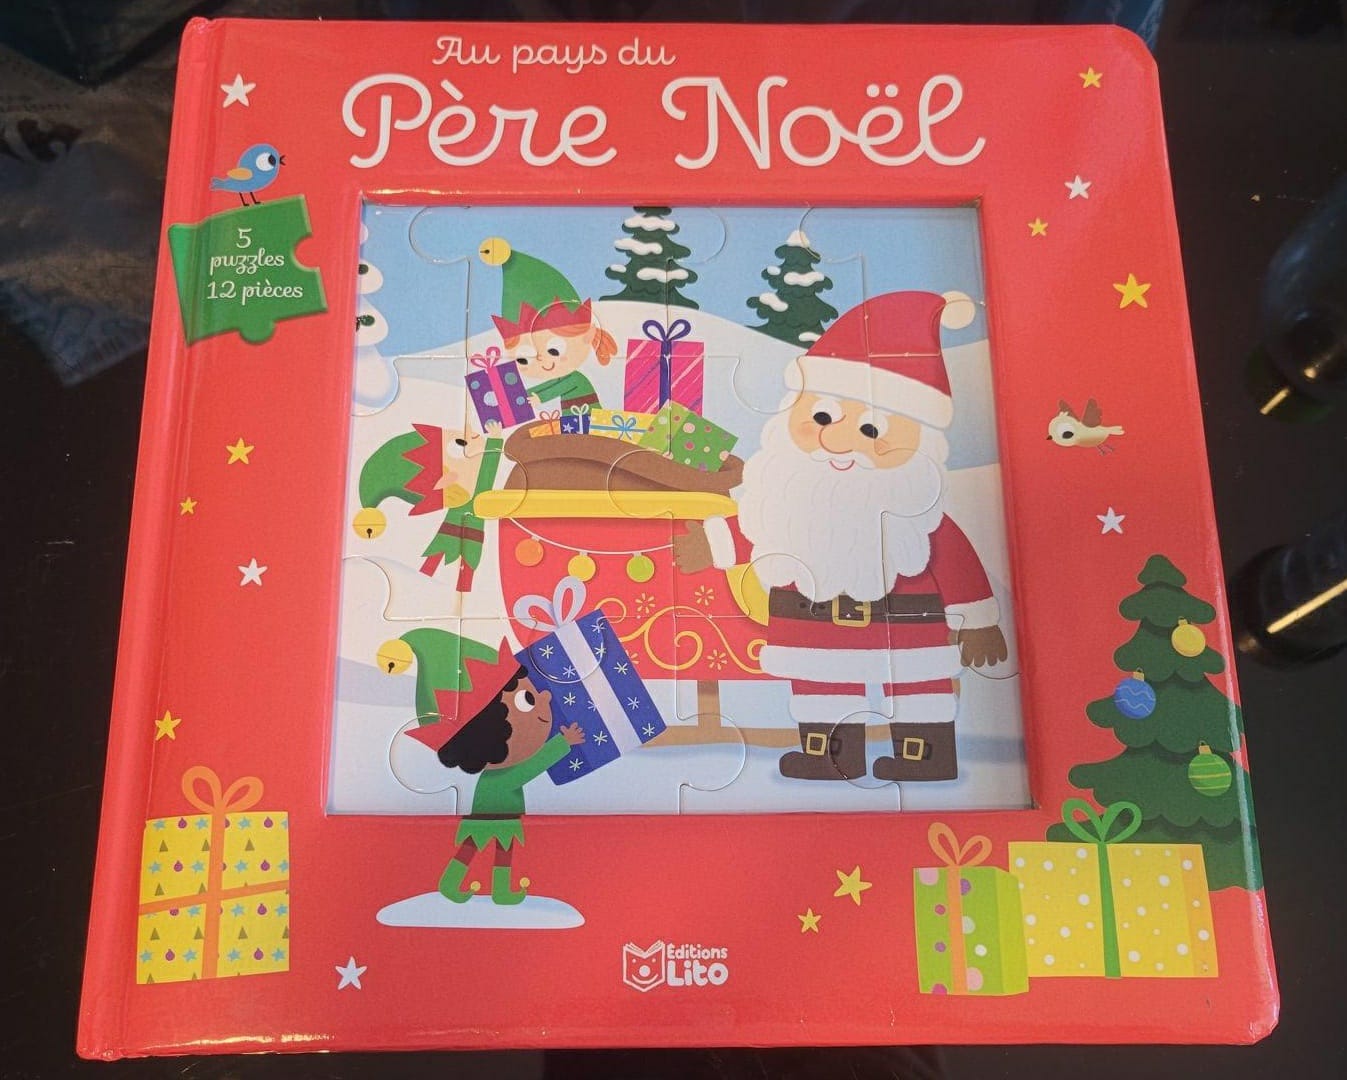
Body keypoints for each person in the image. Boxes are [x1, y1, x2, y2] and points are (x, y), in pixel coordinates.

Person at [673, 291, 1006, 782]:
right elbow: (760, 526)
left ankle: (926, 756)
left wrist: (978, 621)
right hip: (814, 630)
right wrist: (714, 543)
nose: (839, 439)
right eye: (823, 417)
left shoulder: (919, 512)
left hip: (907, 632)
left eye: (871, 430)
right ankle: (831, 757)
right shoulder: (786, 498)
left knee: (917, 690)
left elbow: (955, 560)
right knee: (822, 687)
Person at [404, 643, 584, 904]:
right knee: (478, 846)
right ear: (494, 730)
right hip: (494, 812)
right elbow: (528, 770)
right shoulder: (502, 777)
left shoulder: (496, 775)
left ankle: (495, 890)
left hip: (500, 812)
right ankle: (452, 884)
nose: (545, 696)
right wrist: (563, 743)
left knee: (494, 847)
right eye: (528, 699)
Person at [479, 236, 616, 411]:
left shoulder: (575, 377)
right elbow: (546, 387)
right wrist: (511, 399)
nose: (540, 359)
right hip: (571, 422)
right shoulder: (560, 376)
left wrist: (540, 398)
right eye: (524, 358)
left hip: (590, 420)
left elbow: (560, 387)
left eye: (554, 350)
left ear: (587, 334)